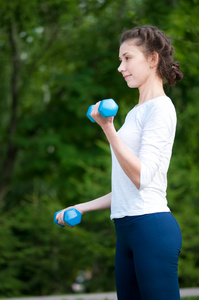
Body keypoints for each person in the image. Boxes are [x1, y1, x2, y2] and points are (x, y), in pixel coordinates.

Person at [56, 25, 183, 300]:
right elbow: (127, 189)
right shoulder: (137, 112)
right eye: (120, 59)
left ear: (152, 59)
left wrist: (108, 128)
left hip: (151, 228)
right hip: (126, 230)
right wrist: (81, 206)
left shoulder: (161, 108)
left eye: (127, 58)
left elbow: (141, 178)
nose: (120, 67)